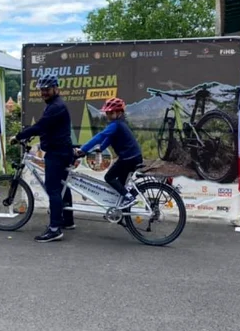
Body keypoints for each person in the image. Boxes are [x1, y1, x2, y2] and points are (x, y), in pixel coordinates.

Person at [10, 73, 75, 243]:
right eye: (42, 90)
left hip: (57, 152)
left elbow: (41, 125)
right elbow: (47, 127)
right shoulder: (54, 105)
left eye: (47, 89)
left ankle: (54, 229)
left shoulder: (56, 106)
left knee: (53, 188)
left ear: (56, 88)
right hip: (62, 150)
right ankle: (67, 220)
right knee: (62, 185)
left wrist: (19, 136)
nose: (44, 92)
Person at [76, 97, 143, 208]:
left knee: (109, 177)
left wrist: (83, 149)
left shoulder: (115, 124)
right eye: (107, 112)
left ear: (119, 112)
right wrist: (101, 148)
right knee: (119, 186)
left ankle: (129, 197)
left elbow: (100, 136)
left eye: (111, 112)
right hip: (133, 157)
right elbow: (110, 138)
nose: (107, 115)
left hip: (128, 159)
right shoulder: (120, 123)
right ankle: (121, 210)